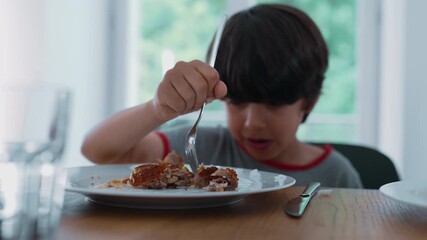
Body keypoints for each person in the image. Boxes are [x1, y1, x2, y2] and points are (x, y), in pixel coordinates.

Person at [81, 3, 363, 188]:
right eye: (237, 102)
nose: (253, 123)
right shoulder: (202, 146)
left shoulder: (338, 175)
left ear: (309, 101)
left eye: (274, 104)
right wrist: (157, 109)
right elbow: (97, 151)